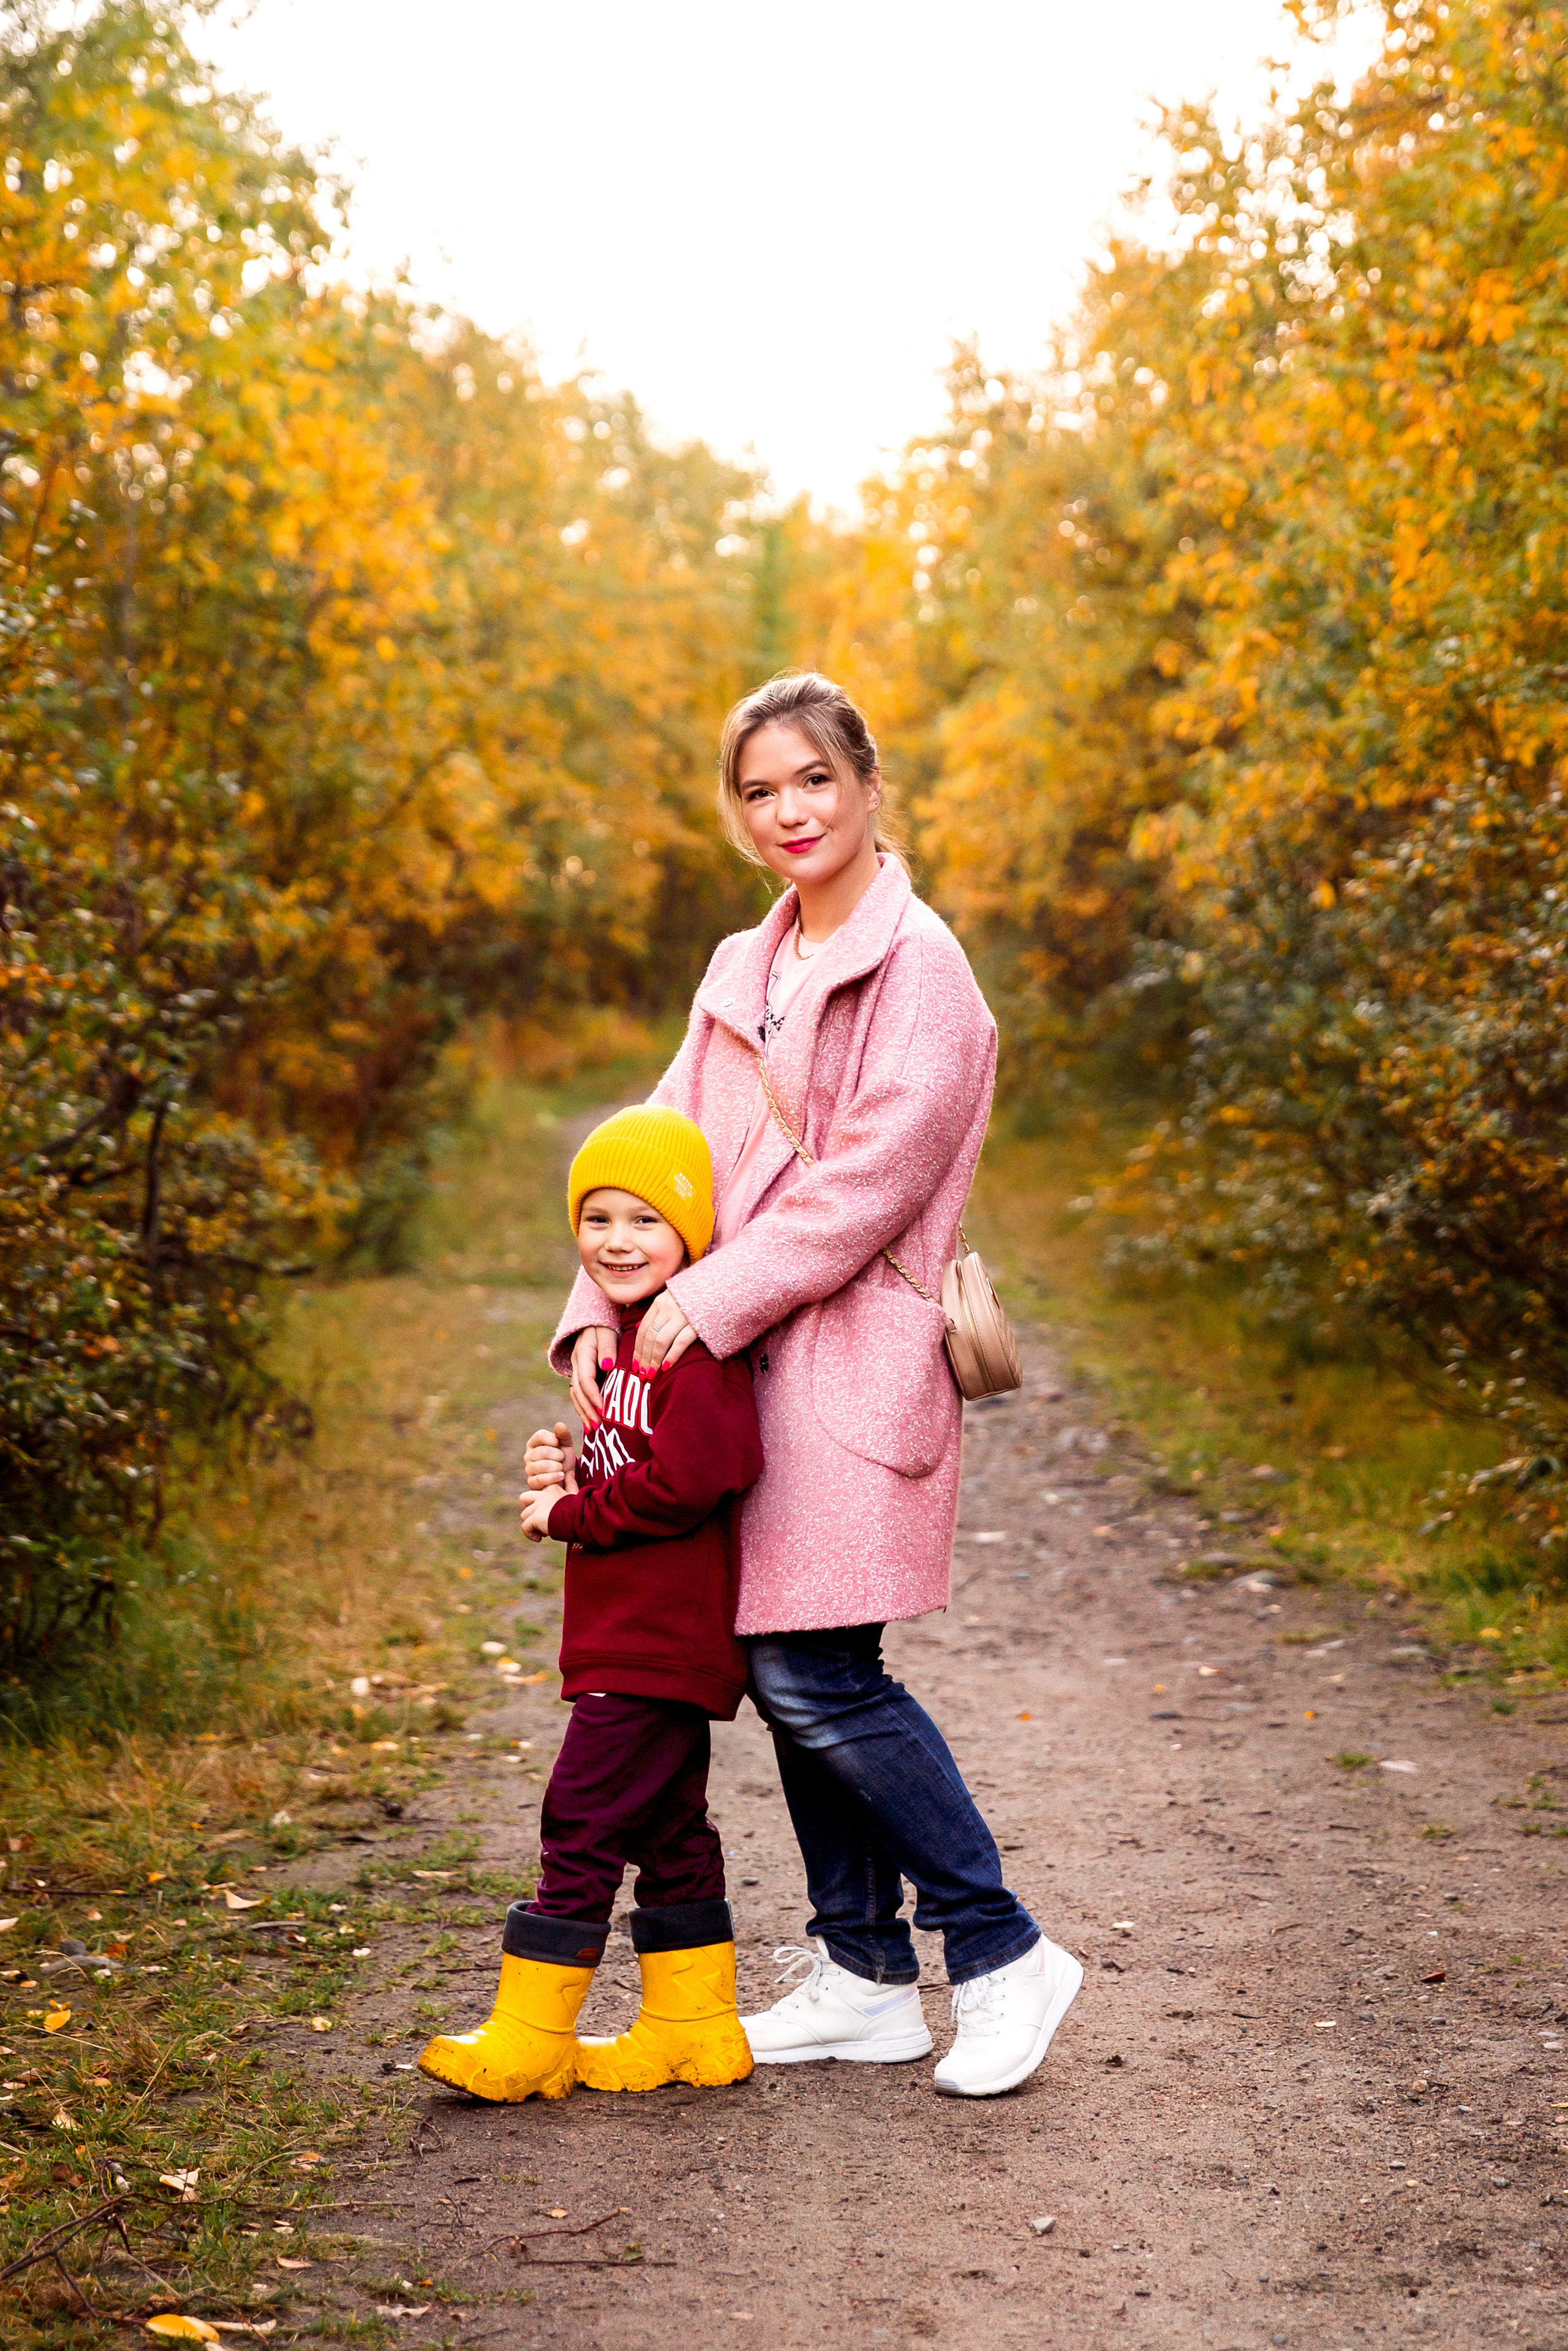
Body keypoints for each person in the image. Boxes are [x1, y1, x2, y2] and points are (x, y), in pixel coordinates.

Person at [551, 671, 1083, 2099]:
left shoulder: (926, 974)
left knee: (814, 1670)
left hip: (848, 1369)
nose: (787, 810)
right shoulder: (744, 963)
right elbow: (659, 1146)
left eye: (811, 780)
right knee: (786, 1668)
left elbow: (863, 1190)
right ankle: (862, 1972)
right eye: (757, 790)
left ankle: (999, 1947)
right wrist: (599, 1314)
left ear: (864, 785)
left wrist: (705, 1297)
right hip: (739, 1383)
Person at [418, 1104, 763, 2104]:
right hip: (631, 1631)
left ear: (691, 1233)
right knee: (668, 1828)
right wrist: (565, 1476)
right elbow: (637, 1470)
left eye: (647, 1220)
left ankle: (531, 2038)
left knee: (580, 1818)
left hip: (662, 1636)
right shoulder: (620, 1343)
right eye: (598, 1218)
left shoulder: (698, 1349)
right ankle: (695, 2029)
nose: (618, 1240)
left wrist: (572, 1514)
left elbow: (701, 1474)